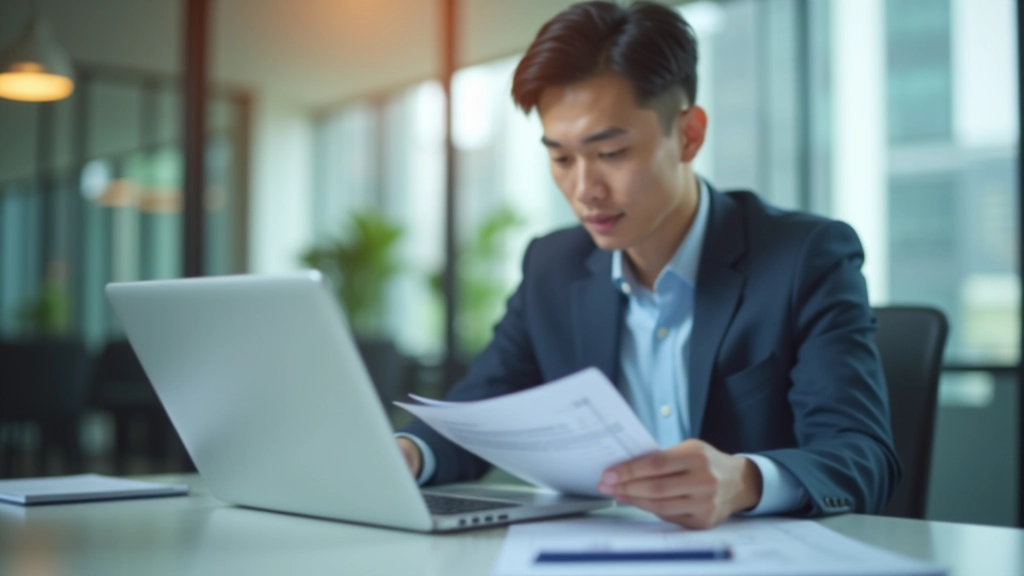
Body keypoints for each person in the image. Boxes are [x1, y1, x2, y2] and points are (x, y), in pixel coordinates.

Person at [395, 0, 900, 530]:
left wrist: (744, 480)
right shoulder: (552, 267)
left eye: (611, 153)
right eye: (561, 158)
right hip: (594, 552)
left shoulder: (804, 258)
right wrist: (406, 452)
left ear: (689, 135)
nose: (584, 190)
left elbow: (863, 455)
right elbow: (476, 415)